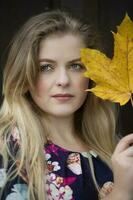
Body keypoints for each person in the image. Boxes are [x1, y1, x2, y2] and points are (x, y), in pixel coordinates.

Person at [0, 9, 133, 200]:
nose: (63, 80)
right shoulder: (9, 153)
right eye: (46, 67)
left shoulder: (112, 147)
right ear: (24, 75)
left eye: (76, 66)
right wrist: (120, 194)